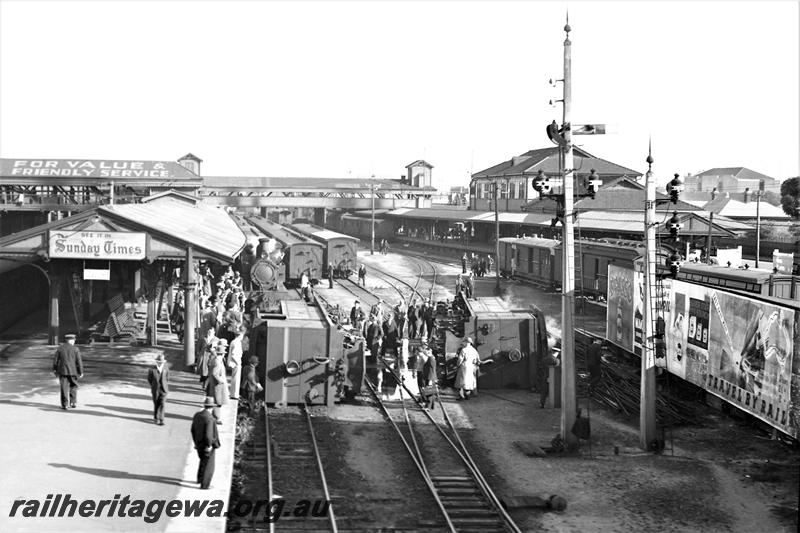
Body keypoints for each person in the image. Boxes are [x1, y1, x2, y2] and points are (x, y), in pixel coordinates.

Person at [191, 397, 221, 490]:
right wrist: (209, 445)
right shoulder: (210, 419)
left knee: (202, 461)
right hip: (206, 445)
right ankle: (204, 485)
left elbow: (192, 430)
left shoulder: (197, 415)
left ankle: (199, 479)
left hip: (198, 444)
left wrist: (196, 442)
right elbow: (208, 435)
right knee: (208, 465)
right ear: (211, 408)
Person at [52, 333, 83, 410]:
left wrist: (55, 369)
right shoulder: (75, 349)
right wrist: (81, 371)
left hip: (62, 371)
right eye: (74, 340)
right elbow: (79, 361)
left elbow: (55, 360)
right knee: (73, 386)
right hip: (73, 371)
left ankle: (65, 404)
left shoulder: (60, 348)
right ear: (72, 340)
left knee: (64, 387)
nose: (74, 342)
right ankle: (73, 402)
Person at [205, 343, 230, 424]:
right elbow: (214, 373)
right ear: (222, 354)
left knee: (218, 402)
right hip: (218, 386)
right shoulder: (217, 362)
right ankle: (216, 418)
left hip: (217, 385)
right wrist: (220, 381)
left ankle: (215, 417)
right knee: (217, 402)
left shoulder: (217, 360)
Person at [147, 353, 169, 425]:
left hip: (163, 389)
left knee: (162, 404)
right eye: (159, 362)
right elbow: (149, 379)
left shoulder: (166, 368)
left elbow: (167, 378)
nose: (160, 363)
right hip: (155, 389)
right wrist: (153, 386)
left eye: (161, 362)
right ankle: (156, 418)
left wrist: (164, 385)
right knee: (156, 403)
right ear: (157, 361)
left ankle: (161, 419)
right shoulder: (151, 369)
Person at [419, 343, 438, 410]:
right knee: (431, 392)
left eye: (427, 352)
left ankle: (428, 407)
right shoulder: (431, 358)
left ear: (430, 352)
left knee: (429, 393)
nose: (426, 353)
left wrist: (430, 379)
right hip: (430, 377)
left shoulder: (431, 359)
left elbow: (432, 369)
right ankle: (432, 406)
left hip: (430, 377)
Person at [228, 327, 245, 400]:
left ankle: (234, 393)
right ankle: (235, 395)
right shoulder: (237, 342)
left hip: (234, 363)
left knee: (234, 379)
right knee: (236, 379)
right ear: (240, 335)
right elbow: (234, 354)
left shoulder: (234, 341)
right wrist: (238, 363)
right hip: (236, 363)